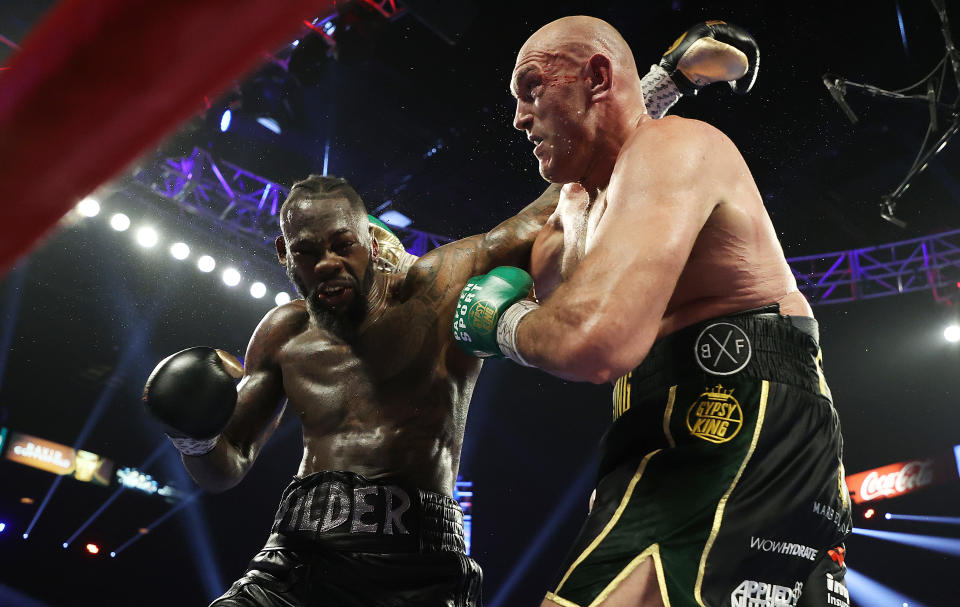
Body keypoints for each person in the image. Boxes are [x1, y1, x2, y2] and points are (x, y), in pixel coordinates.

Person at [141, 24, 757, 607]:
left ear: (371, 243)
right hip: (297, 560)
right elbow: (226, 467)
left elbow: (547, 209)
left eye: (342, 245)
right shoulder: (282, 333)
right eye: (307, 252)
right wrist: (190, 431)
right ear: (284, 256)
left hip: (421, 569)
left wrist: (665, 79)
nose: (328, 263)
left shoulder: (436, 291)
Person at [453, 16, 850, 607]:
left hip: (741, 407)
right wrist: (661, 82)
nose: (518, 116)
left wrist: (504, 324)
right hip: (661, 421)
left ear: (594, 77)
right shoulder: (573, 217)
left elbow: (593, 344)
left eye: (532, 88)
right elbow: (509, 240)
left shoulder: (676, 146)